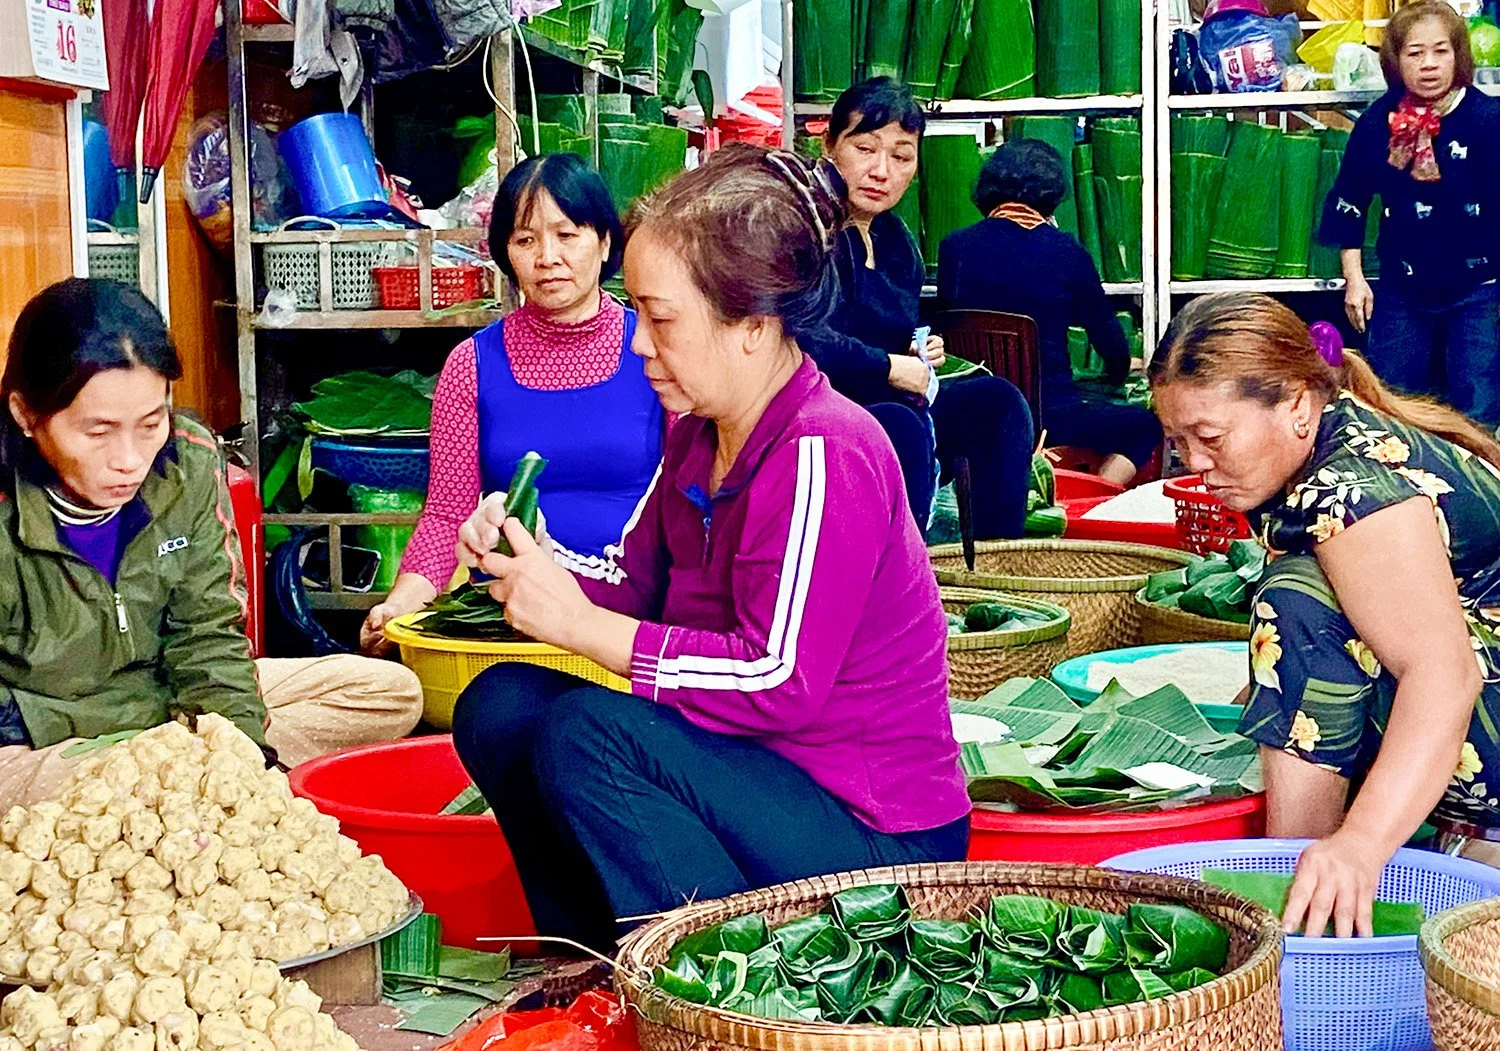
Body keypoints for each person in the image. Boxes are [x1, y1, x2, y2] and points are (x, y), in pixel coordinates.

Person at [449, 145, 970, 951]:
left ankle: (714, 983)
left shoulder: (820, 452)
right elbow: (635, 581)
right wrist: (535, 555)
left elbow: (777, 677)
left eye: (661, 320)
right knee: (501, 708)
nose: (638, 346)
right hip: (756, 777)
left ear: (753, 327)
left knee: (590, 732)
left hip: (877, 841)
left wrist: (583, 628)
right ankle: (594, 956)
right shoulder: (701, 434)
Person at [1150, 291, 1500, 939]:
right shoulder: (1313, 447)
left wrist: (1359, 844)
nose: (1194, 464)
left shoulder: (1351, 490)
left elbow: (1444, 674)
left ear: (1298, 406)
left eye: (1209, 437)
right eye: (1178, 440)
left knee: (1295, 601)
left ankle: (1300, 891)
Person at [0, 278, 423, 806]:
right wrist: (138, 740)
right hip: (55, 738)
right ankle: (168, 780)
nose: (130, 459)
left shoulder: (189, 462)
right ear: (25, 414)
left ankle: (173, 784)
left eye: (151, 423)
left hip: (174, 704)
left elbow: (208, 635)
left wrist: (241, 756)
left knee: (386, 693)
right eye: (98, 431)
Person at [361, 153, 663, 649]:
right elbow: (445, 516)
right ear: (505, 253)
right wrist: (399, 608)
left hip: (627, 615)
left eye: (567, 235)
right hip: (506, 613)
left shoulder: (654, 351)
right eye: (526, 240)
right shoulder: (471, 365)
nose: (547, 256)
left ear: (605, 242)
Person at [799, 77, 1033, 539]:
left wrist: (916, 349)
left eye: (901, 156)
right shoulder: (807, 229)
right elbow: (802, 334)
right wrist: (891, 367)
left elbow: (888, 327)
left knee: (999, 404)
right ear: (830, 145)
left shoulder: (896, 241)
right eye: (865, 149)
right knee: (898, 426)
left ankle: (991, 566)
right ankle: (906, 580)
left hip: (894, 396)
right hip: (819, 405)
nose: (881, 170)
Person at [938, 139, 1161, 487]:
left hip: (974, 412)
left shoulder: (954, 248)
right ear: (1052, 194)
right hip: (1052, 417)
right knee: (1148, 425)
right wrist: (1120, 369)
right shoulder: (1066, 252)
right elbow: (1108, 339)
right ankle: (1093, 500)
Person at [1320, 0, 1500, 425]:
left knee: (1478, 407)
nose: (1429, 64)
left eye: (1441, 50)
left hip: (1482, 286)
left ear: (1459, 55)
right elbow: (1350, 201)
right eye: (1415, 53)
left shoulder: (1489, 120)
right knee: (1391, 401)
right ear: (1395, 61)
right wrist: (1355, 280)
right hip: (1403, 286)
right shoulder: (1376, 123)